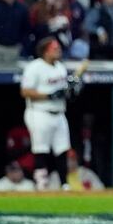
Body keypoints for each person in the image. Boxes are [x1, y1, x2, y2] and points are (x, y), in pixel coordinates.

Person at [19, 37, 77, 189]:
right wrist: (49, 95)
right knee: (41, 149)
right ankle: (41, 183)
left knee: (63, 149)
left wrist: (71, 89)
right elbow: (25, 91)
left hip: (59, 112)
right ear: (45, 51)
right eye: (54, 48)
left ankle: (65, 184)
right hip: (39, 112)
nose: (58, 50)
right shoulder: (34, 67)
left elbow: (64, 91)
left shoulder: (60, 67)